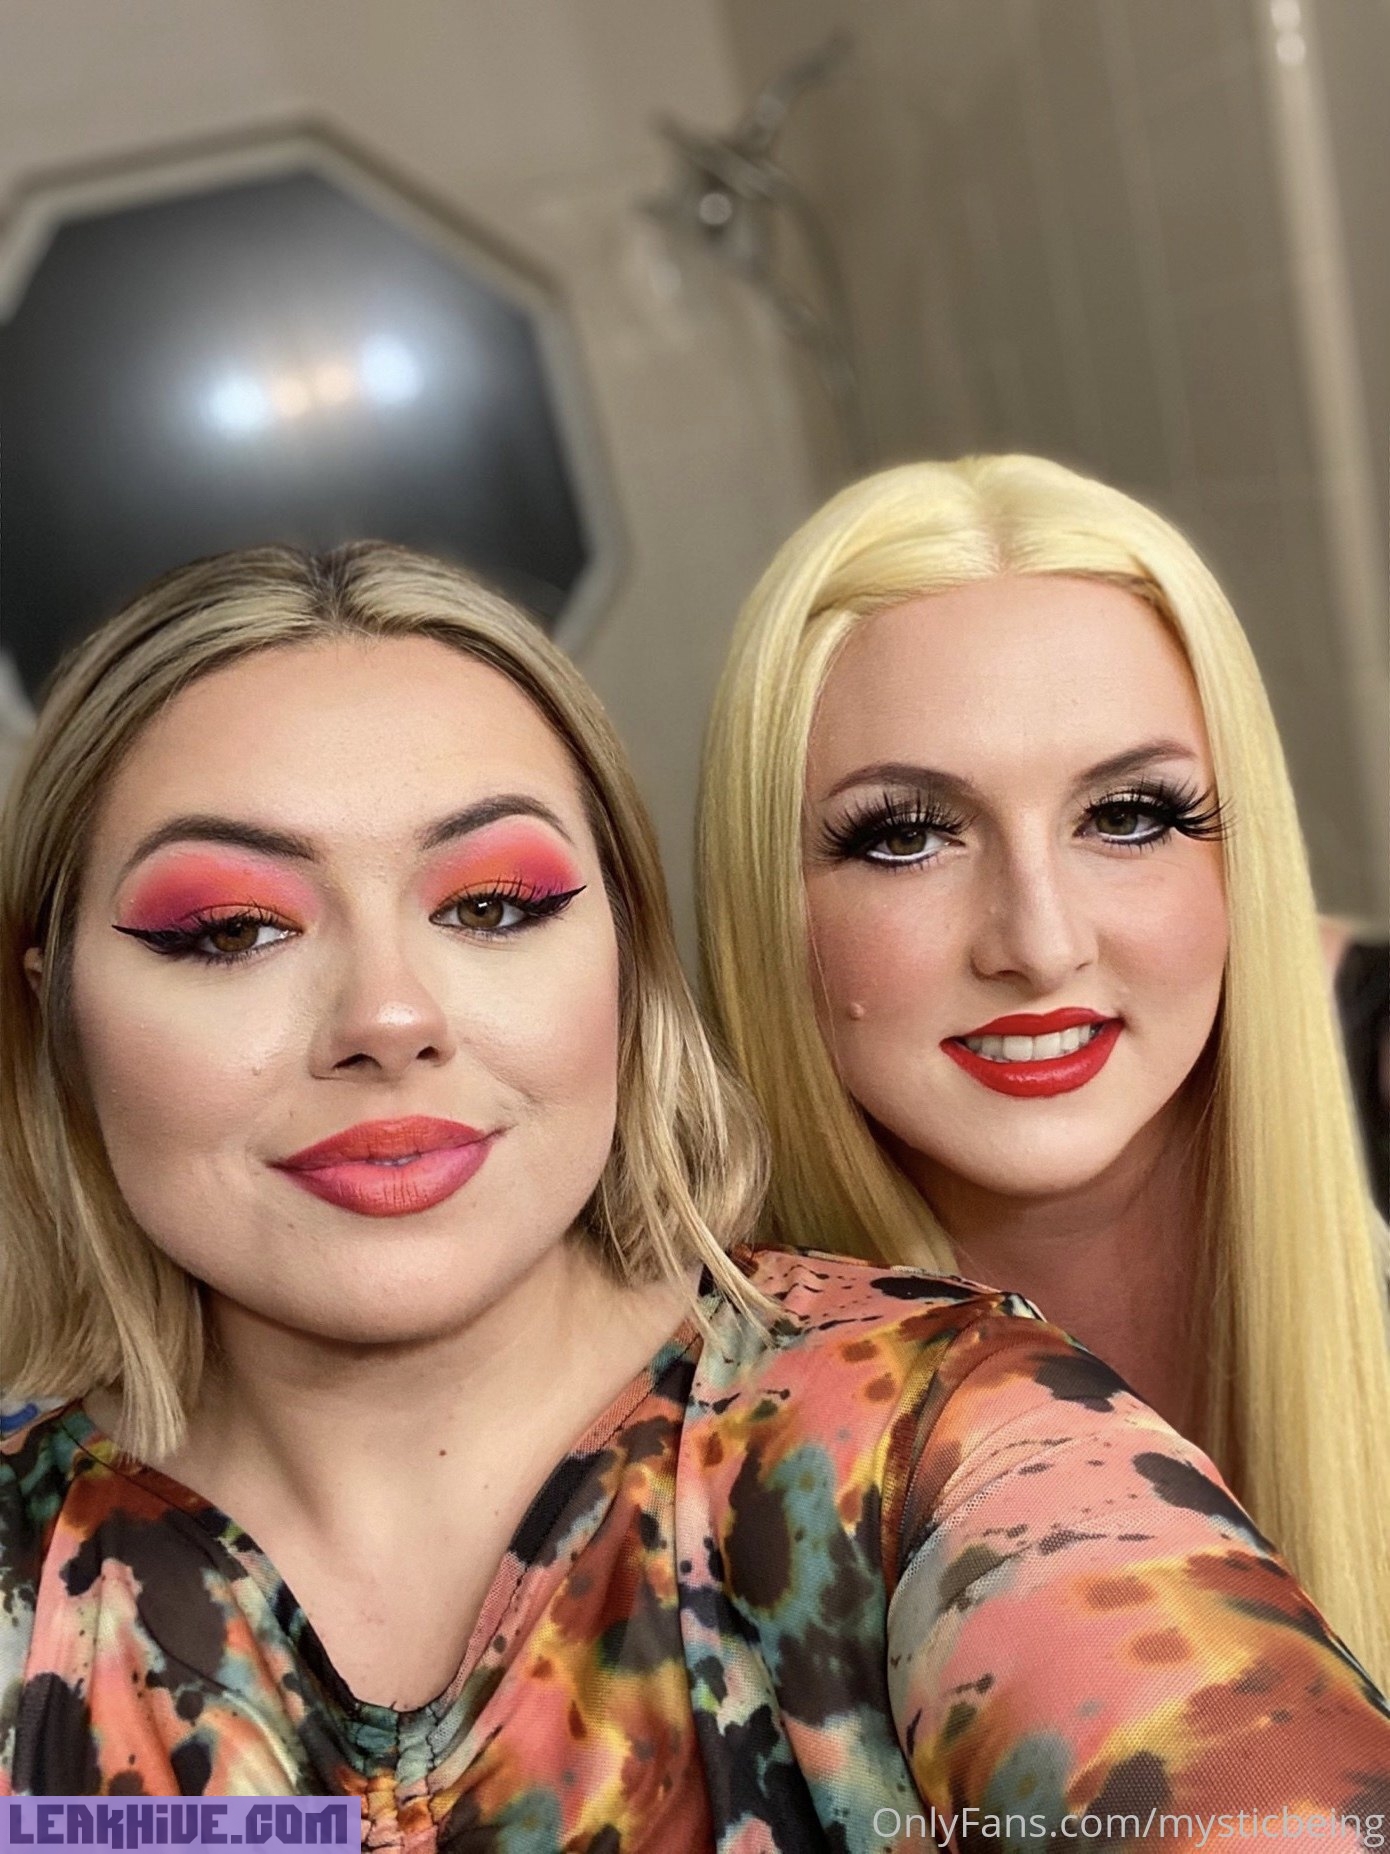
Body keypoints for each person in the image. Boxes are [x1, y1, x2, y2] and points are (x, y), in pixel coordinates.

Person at [2, 545, 1387, 1834]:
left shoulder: (933, 1448)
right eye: (230, 930)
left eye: (490, 906)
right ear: (53, 998)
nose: (388, 1015)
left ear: (626, 956)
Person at [698, 454, 1390, 1692]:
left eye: (1127, 816)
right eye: (906, 836)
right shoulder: (667, 1426)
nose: (1040, 941)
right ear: (766, 904)